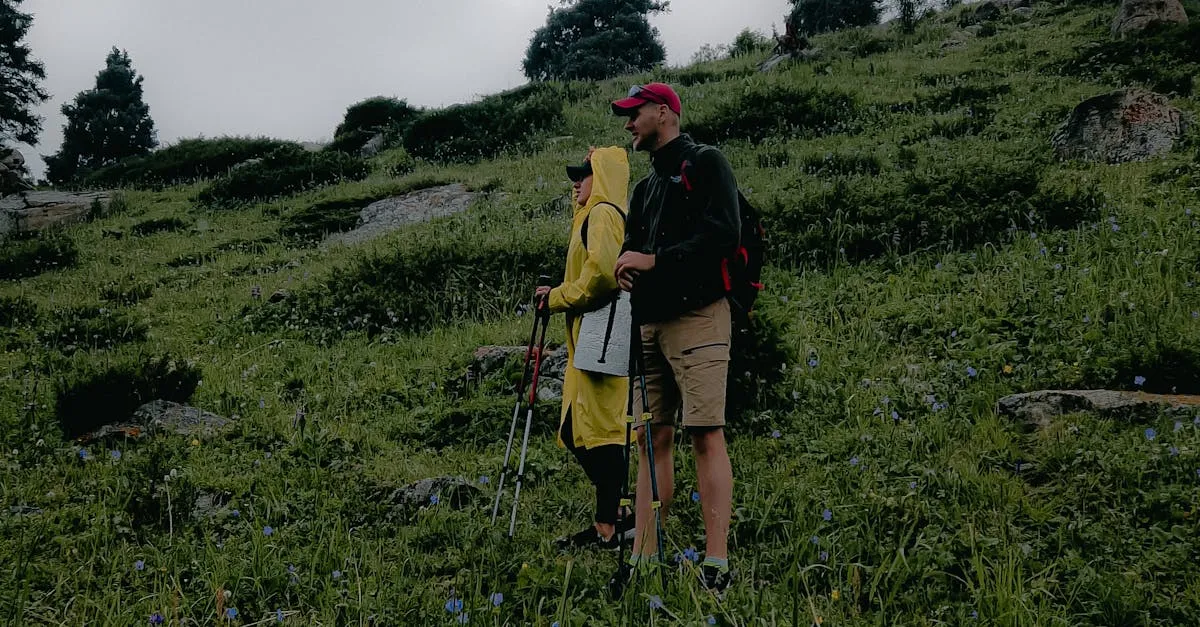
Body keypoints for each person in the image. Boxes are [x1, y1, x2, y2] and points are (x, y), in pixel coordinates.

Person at [610, 83, 739, 593]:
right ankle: (643, 556)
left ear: (663, 113)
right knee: (649, 437)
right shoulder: (646, 190)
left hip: (699, 317)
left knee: (704, 431)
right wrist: (627, 268)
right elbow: (633, 248)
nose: (628, 125)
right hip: (649, 323)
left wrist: (655, 261)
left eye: (634, 114)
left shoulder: (707, 163)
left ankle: (716, 562)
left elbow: (723, 235)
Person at [535, 146, 635, 550]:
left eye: (585, 173)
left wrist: (557, 296)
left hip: (603, 339)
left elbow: (602, 276)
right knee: (580, 430)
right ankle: (619, 513)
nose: (576, 182)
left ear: (605, 176)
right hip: (590, 339)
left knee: (600, 433)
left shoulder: (604, 214)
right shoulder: (591, 216)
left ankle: (608, 526)